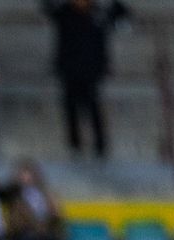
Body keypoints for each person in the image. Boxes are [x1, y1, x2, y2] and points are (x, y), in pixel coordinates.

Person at [43, 0, 130, 159]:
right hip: (69, 70)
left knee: (93, 107)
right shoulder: (65, 12)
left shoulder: (99, 13)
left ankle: (100, 146)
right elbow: (47, 8)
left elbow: (122, 13)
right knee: (70, 108)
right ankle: (75, 145)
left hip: (92, 71)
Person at [7, 159, 67, 240]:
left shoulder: (47, 194)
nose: (26, 177)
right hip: (27, 234)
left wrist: (55, 214)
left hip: (47, 232)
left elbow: (58, 216)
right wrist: (36, 228)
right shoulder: (15, 197)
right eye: (23, 174)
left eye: (28, 174)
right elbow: (15, 222)